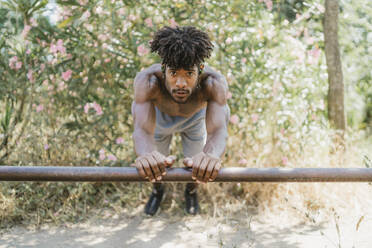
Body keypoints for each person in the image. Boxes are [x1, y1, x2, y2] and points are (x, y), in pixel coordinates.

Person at [132, 25, 230, 216]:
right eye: (174, 73)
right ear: (163, 69)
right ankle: (157, 190)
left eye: (189, 74)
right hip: (159, 117)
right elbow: (142, 130)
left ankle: (191, 191)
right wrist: (145, 155)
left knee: (196, 163)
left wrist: (210, 156)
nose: (181, 83)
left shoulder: (213, 83)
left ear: (200, 70)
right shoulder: (148, 81)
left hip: (195, 119)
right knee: (154, 163)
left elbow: (219, 130)